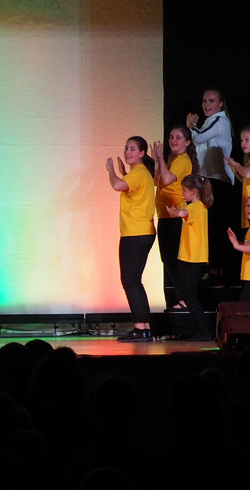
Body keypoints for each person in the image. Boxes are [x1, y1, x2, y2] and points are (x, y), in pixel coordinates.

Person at [103, 136, 156, 342]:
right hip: (141, 232)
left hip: (135, 233)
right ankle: (145, 327)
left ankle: (141, 327)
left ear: (142, 153)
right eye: (126, 148)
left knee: (130, 281)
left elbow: (118, 185)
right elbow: (131, 189)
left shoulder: (139, 172)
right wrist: (124, 173)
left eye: (133, 149)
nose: (127, 152)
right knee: (134, 280)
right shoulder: (139, 173)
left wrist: (111, 171)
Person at [186, 88, 235, 281]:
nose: (207, 105)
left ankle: (218, 270)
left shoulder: (219, 120)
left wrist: (190, 125)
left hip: (218, 181)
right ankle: (212, 268)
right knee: (210, 226)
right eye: (204, 101)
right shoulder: (209, 121)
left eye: (211, 101)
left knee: (215, 227)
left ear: (221, 104)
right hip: (210, 180)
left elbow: (198, 137)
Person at [151, 127, 197, 309]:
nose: (173, 140)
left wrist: (161, 158)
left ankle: (185, 300)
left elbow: (168, 179)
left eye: (178, 138)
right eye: (171, 137)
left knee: (175, 261)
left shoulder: (183, 160)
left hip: (175, 216)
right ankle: (181, 299)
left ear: (187, 142)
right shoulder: (173, 160)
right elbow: (158, 180)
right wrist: (157, 161)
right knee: (168, 260)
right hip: (165, 216)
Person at [166, 175, 214, 341]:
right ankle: (202, 331)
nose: (182, 194)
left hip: (194, 258)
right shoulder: (200, 207)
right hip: (192, 257)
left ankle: (203, 332)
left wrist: (174, 211)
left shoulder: (195, 207)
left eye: (184, 191)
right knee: (188, 294)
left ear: (193, 192)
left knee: (189, 295)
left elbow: (183, 212)